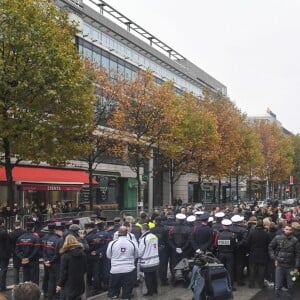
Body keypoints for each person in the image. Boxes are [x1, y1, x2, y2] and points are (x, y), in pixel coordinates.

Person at [269, 223, 300, 300]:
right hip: (280, 265)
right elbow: (270, 247)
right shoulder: (277, 238)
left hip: (291, 266)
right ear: (283, 229)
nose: (288, 231)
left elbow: (297, 254)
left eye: (290, 230)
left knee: (290, 285)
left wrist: (296, 266)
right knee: (278, 285)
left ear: (292, 230)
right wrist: (274, 258)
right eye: (287, 229)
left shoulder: (295, 240)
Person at [106, 226, 138, 300]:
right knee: (127, 293)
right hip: (128, 270)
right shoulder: (132, 243)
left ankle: (114, 296)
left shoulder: (112, 243)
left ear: (118, 233)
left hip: (115, 270)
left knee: (113, 293)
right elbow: (136, 255)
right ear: (127, 233)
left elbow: (108, 256)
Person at [56, 235, 86, 300]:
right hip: (80, 283)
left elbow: (63, 272)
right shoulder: (82, 254)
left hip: (69, 285)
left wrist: (59, 284)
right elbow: (85, 268)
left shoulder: (65, 256)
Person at [246, 218, 270, 289]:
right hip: (263, 254)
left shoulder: (252, 233)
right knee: (261, 270)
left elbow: (248, 243)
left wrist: (248, 251)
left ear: (256, 225)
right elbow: (269, 244)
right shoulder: (266, 234)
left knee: (252, 270)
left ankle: (251, 284)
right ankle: (261, 284)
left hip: (253, 253)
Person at [138, 223, 159, 296]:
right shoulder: (154, 236)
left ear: (143, 229)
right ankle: (155, 290)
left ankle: (150, 292)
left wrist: (138, 256)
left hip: (147, 262)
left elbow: (140, 251)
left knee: (148, 277)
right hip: (155, 261)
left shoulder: (144, 239)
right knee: (154, 276)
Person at [8, 220, 26, 285]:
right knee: (25, 268)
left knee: (16, 269)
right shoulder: (24, 232)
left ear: (14, 225)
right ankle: (25, 283)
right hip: (24, 252)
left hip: (15, 253)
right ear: (20, 224)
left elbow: (9, 245)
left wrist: (13, 252)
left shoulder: (11, 234)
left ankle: (16, 284)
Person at [0, 217, 11, 292]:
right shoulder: (4, 232)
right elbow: (8, 244)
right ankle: (2, 286)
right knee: (3, 270)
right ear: (2, 223)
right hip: (3, 254)